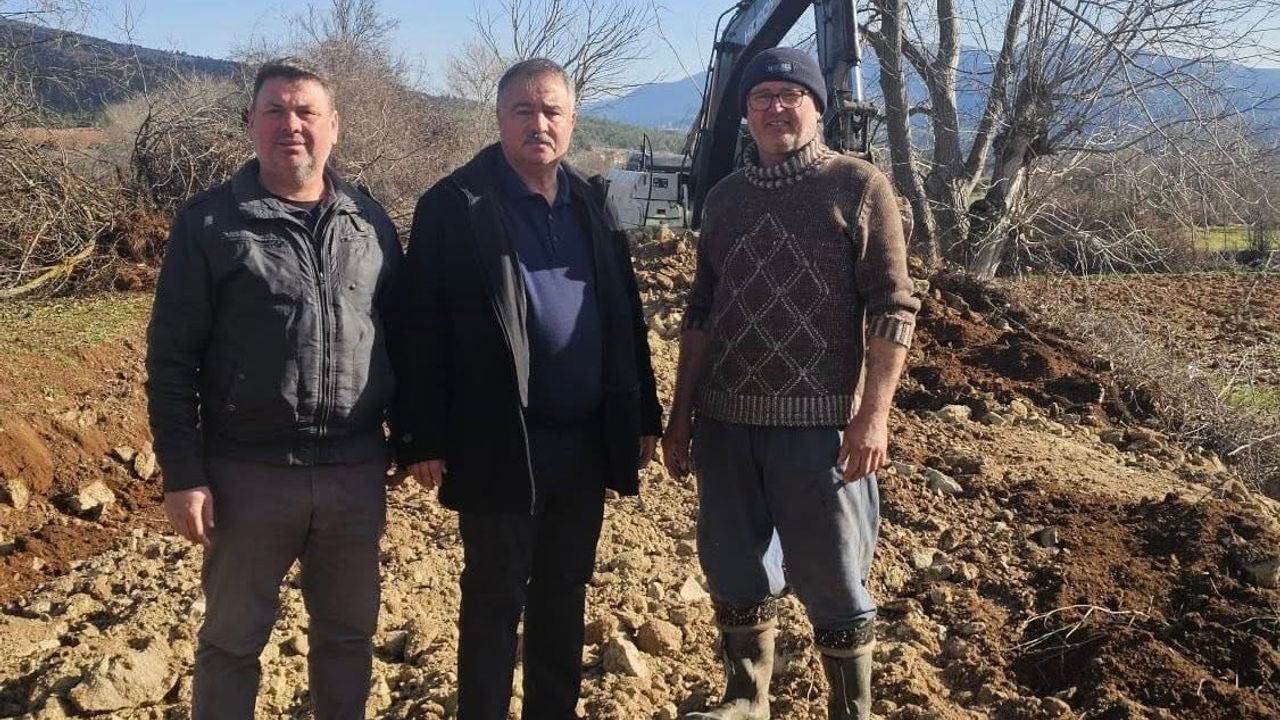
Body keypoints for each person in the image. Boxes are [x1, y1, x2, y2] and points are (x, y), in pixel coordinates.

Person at [392, 58, 663, 720]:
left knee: (564, 594)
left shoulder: (593, 203)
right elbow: (417, 325)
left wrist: (643, 415)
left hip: (584, 440)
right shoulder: (455, 205)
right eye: (523, 111)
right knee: (493, 596)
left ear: (571, 121)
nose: (538, 123)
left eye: (551, 111)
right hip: (497, 439)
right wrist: (421, 435)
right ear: (499, 118)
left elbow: (626, 315)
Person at [661, 47, 920, 720]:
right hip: (726, 422)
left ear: (817, 107)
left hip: (820, 427)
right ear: (745, 112)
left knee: (833, 577)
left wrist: (873, 417)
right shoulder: (724, 199)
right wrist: (681, 415)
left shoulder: (859, 187)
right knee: (733, 568)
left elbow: (894, 307)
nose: (776, 107)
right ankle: (746, 699)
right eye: (762, 97)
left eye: (790, 95)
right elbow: (701, 310)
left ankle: (850, 710)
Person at [145, 58, 402, 720]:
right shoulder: (210, 225)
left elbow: (402, 337)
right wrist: (183, 473)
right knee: (232, 643)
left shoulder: (369, 223)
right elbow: (171, 358)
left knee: (347, 640)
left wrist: (413, 437)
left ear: (333, 126)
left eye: (306, 111)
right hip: (247, 474)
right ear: (250, 124)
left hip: (353, 472)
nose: (292, 125)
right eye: (275, 111)